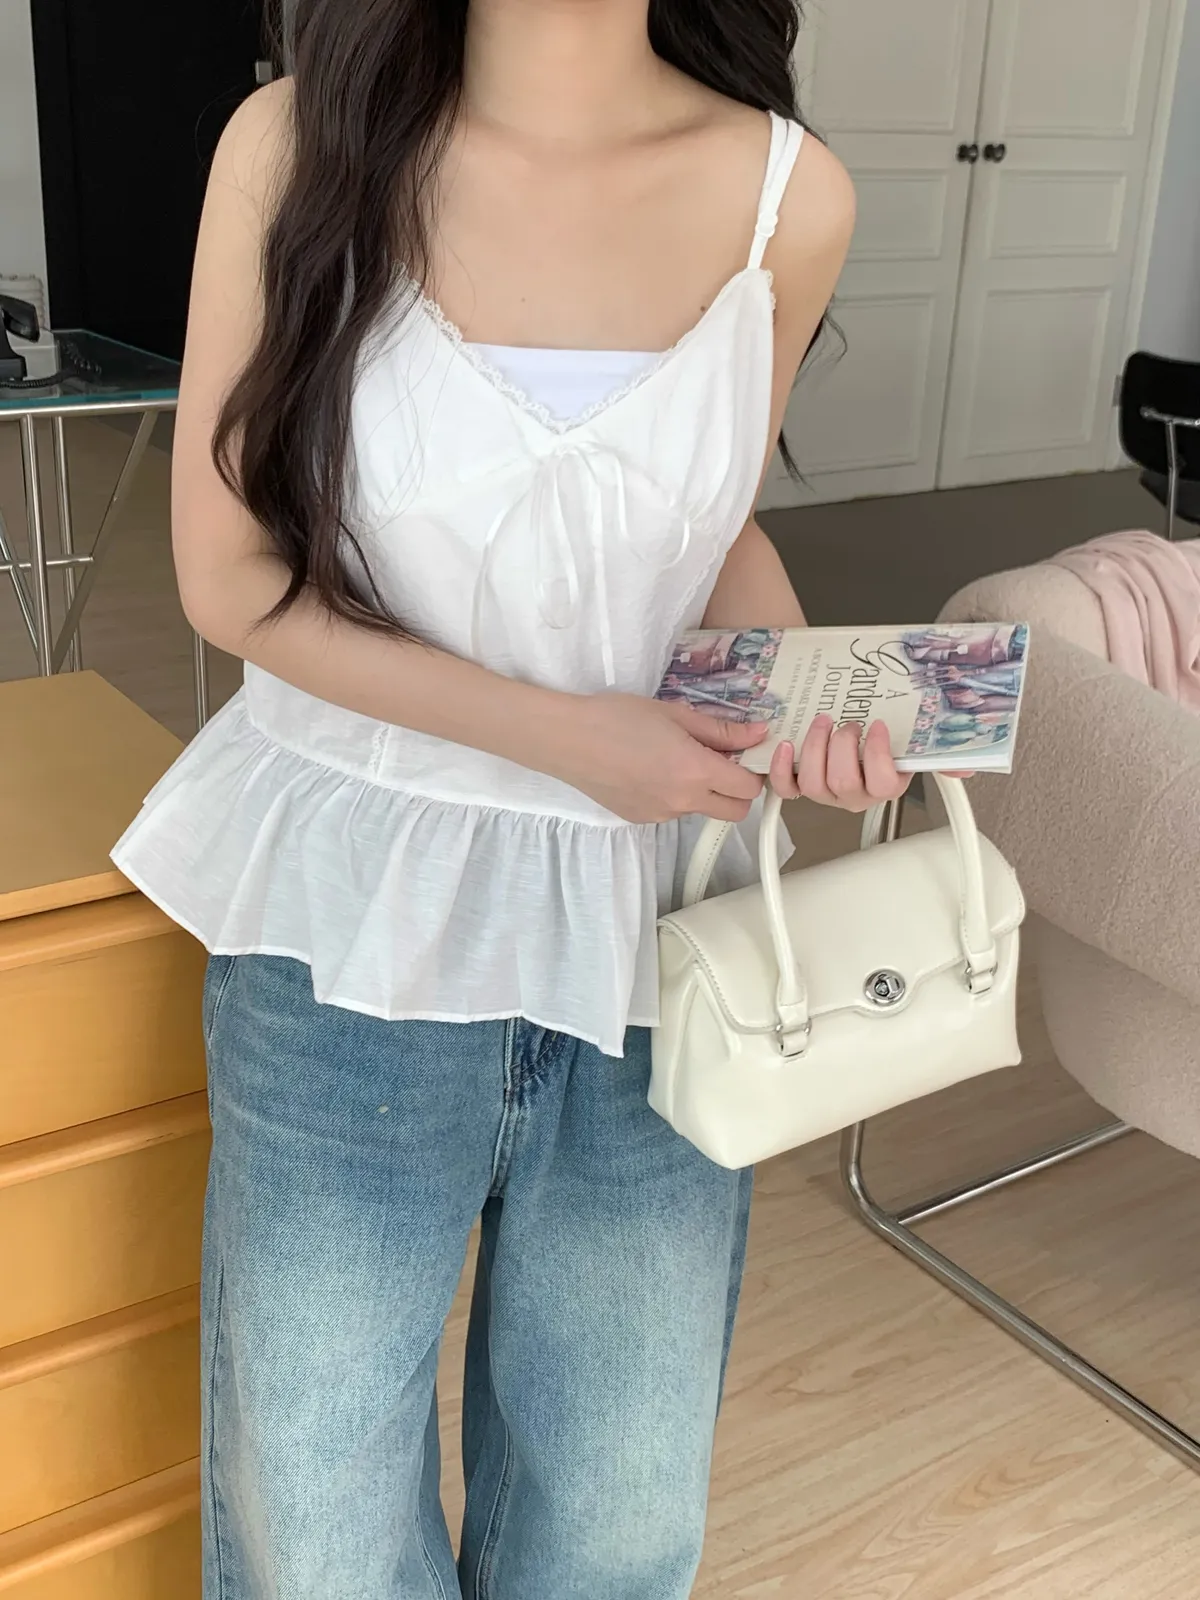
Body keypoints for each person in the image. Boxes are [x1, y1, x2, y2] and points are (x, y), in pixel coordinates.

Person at [112, 2, 913, 1595]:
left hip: (652, 933)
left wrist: (808, 695)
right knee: (315, 1519)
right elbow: (229, 575)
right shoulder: (294, 147)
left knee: (614, 1516)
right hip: (354, 918)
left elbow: (708, 537)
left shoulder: (786, 193)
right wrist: (564, 739)